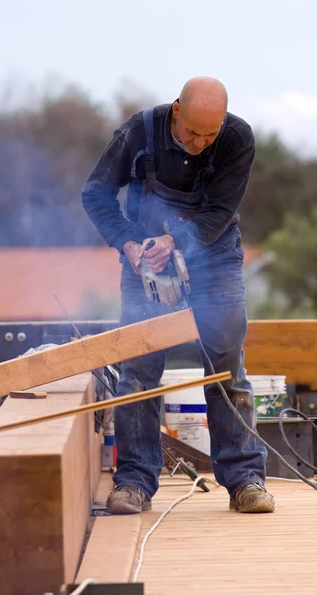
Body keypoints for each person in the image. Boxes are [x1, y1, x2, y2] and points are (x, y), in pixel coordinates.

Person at [82, 77, 275, 515]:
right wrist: (131, 244)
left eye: (210, 134)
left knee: (225, 366)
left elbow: (222, 209)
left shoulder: (238, 138)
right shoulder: (137, 133)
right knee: (138, 371)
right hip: (145, 257)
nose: (199, 142)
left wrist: (178, 241)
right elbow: (95, 193)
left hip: (216, 256)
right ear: (176, 111)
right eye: (192, 132)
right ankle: (134, 482)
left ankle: (246, 480)